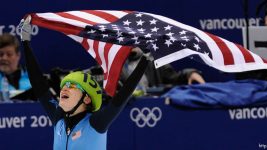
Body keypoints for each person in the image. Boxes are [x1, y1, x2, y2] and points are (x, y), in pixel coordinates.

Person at [19, 16, 149, 149]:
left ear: (86, 99)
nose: (64, 89)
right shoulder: (58, 118)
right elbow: (39, 85)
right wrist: (25, 41)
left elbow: (122, 97)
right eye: (63, 85)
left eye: (71, 86)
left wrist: (146, 59)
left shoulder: (95, 123)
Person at [121, 47, 205, 95]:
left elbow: (174, 77)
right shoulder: (113, 66)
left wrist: (189, 73)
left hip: (154, 106)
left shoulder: (152, 60)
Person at [0, 33, 32, 98]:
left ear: (18, 55)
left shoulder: (33, 78)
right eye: (0, 54)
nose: (4, 58)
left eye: (9, 54)